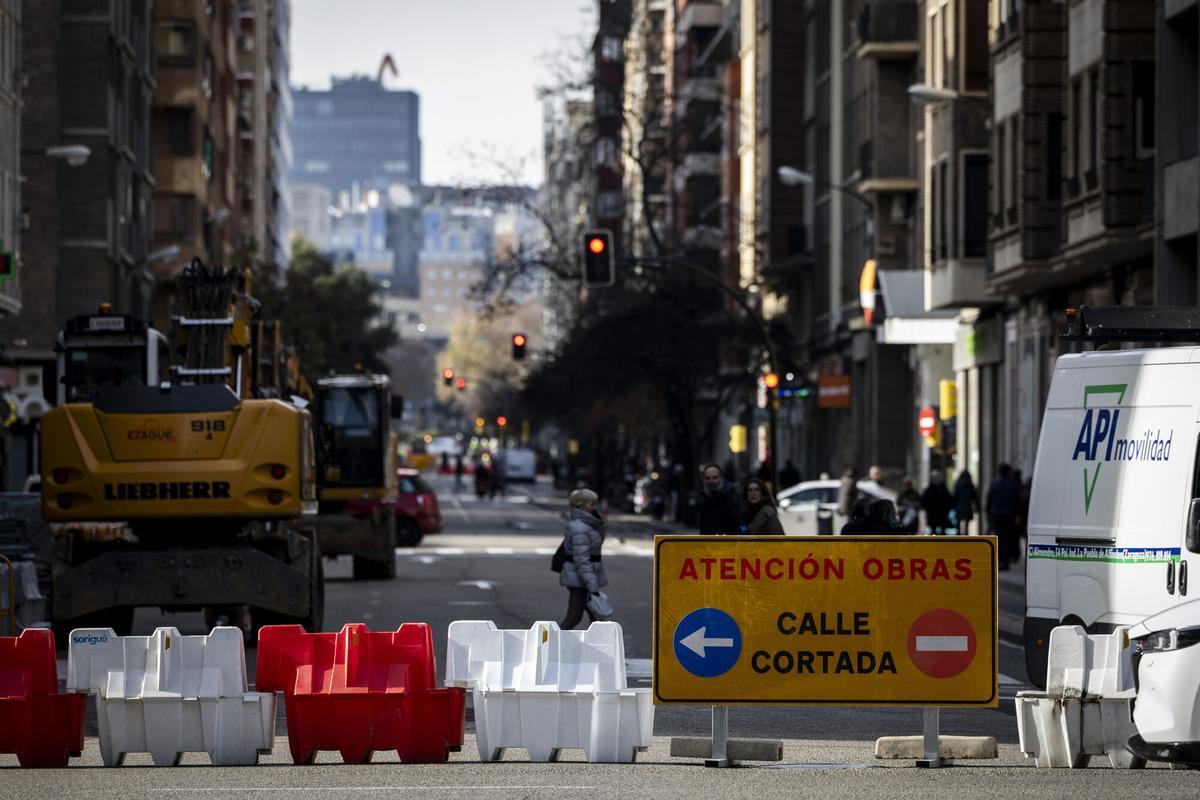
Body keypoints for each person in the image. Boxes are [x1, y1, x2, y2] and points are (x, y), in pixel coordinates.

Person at [559, 488, 608, 630]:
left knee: (596, 618)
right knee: (574, 617)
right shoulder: (580, 528)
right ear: (581, 506)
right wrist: (592, 585)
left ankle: (600, 647)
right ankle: (550, 644)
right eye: (591, 504)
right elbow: (581, 560)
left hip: (583, 577)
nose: (594, 507)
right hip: (579, 578)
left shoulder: (587, 524)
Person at [987, 463, 1022, 570]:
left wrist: (989, 515)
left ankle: (1000, 560)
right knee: (1008, 538)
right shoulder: (1012, 484)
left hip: (997, 515)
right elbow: (1017, 501)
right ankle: (1005, 561)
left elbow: (989, 500)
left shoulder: (994, 484)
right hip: (1009, 515)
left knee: (999, 538)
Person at [697, 463, 740, 534]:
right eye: (708, 478)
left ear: (721, 478)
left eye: (715, 477)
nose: (711, 481)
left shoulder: (732, 497)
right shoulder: (704, 498)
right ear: (704, 480)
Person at [921, 471, 954, 535]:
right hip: (933, 514)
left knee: (942, 531)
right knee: (933, 530)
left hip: (942, 514)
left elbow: (949, 500)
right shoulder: (929, 490)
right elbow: (924, 501)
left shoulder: (943, 490)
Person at [953, 469, 980, 536]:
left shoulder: (958, 484)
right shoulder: (970, 484)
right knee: (967, 523)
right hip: (967, 506)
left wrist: (953, 505)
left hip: (959, 506)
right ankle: (966, 535)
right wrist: (977, 507)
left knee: (959, 522)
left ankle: (958, 535)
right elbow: (974, 497)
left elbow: (955, 496)